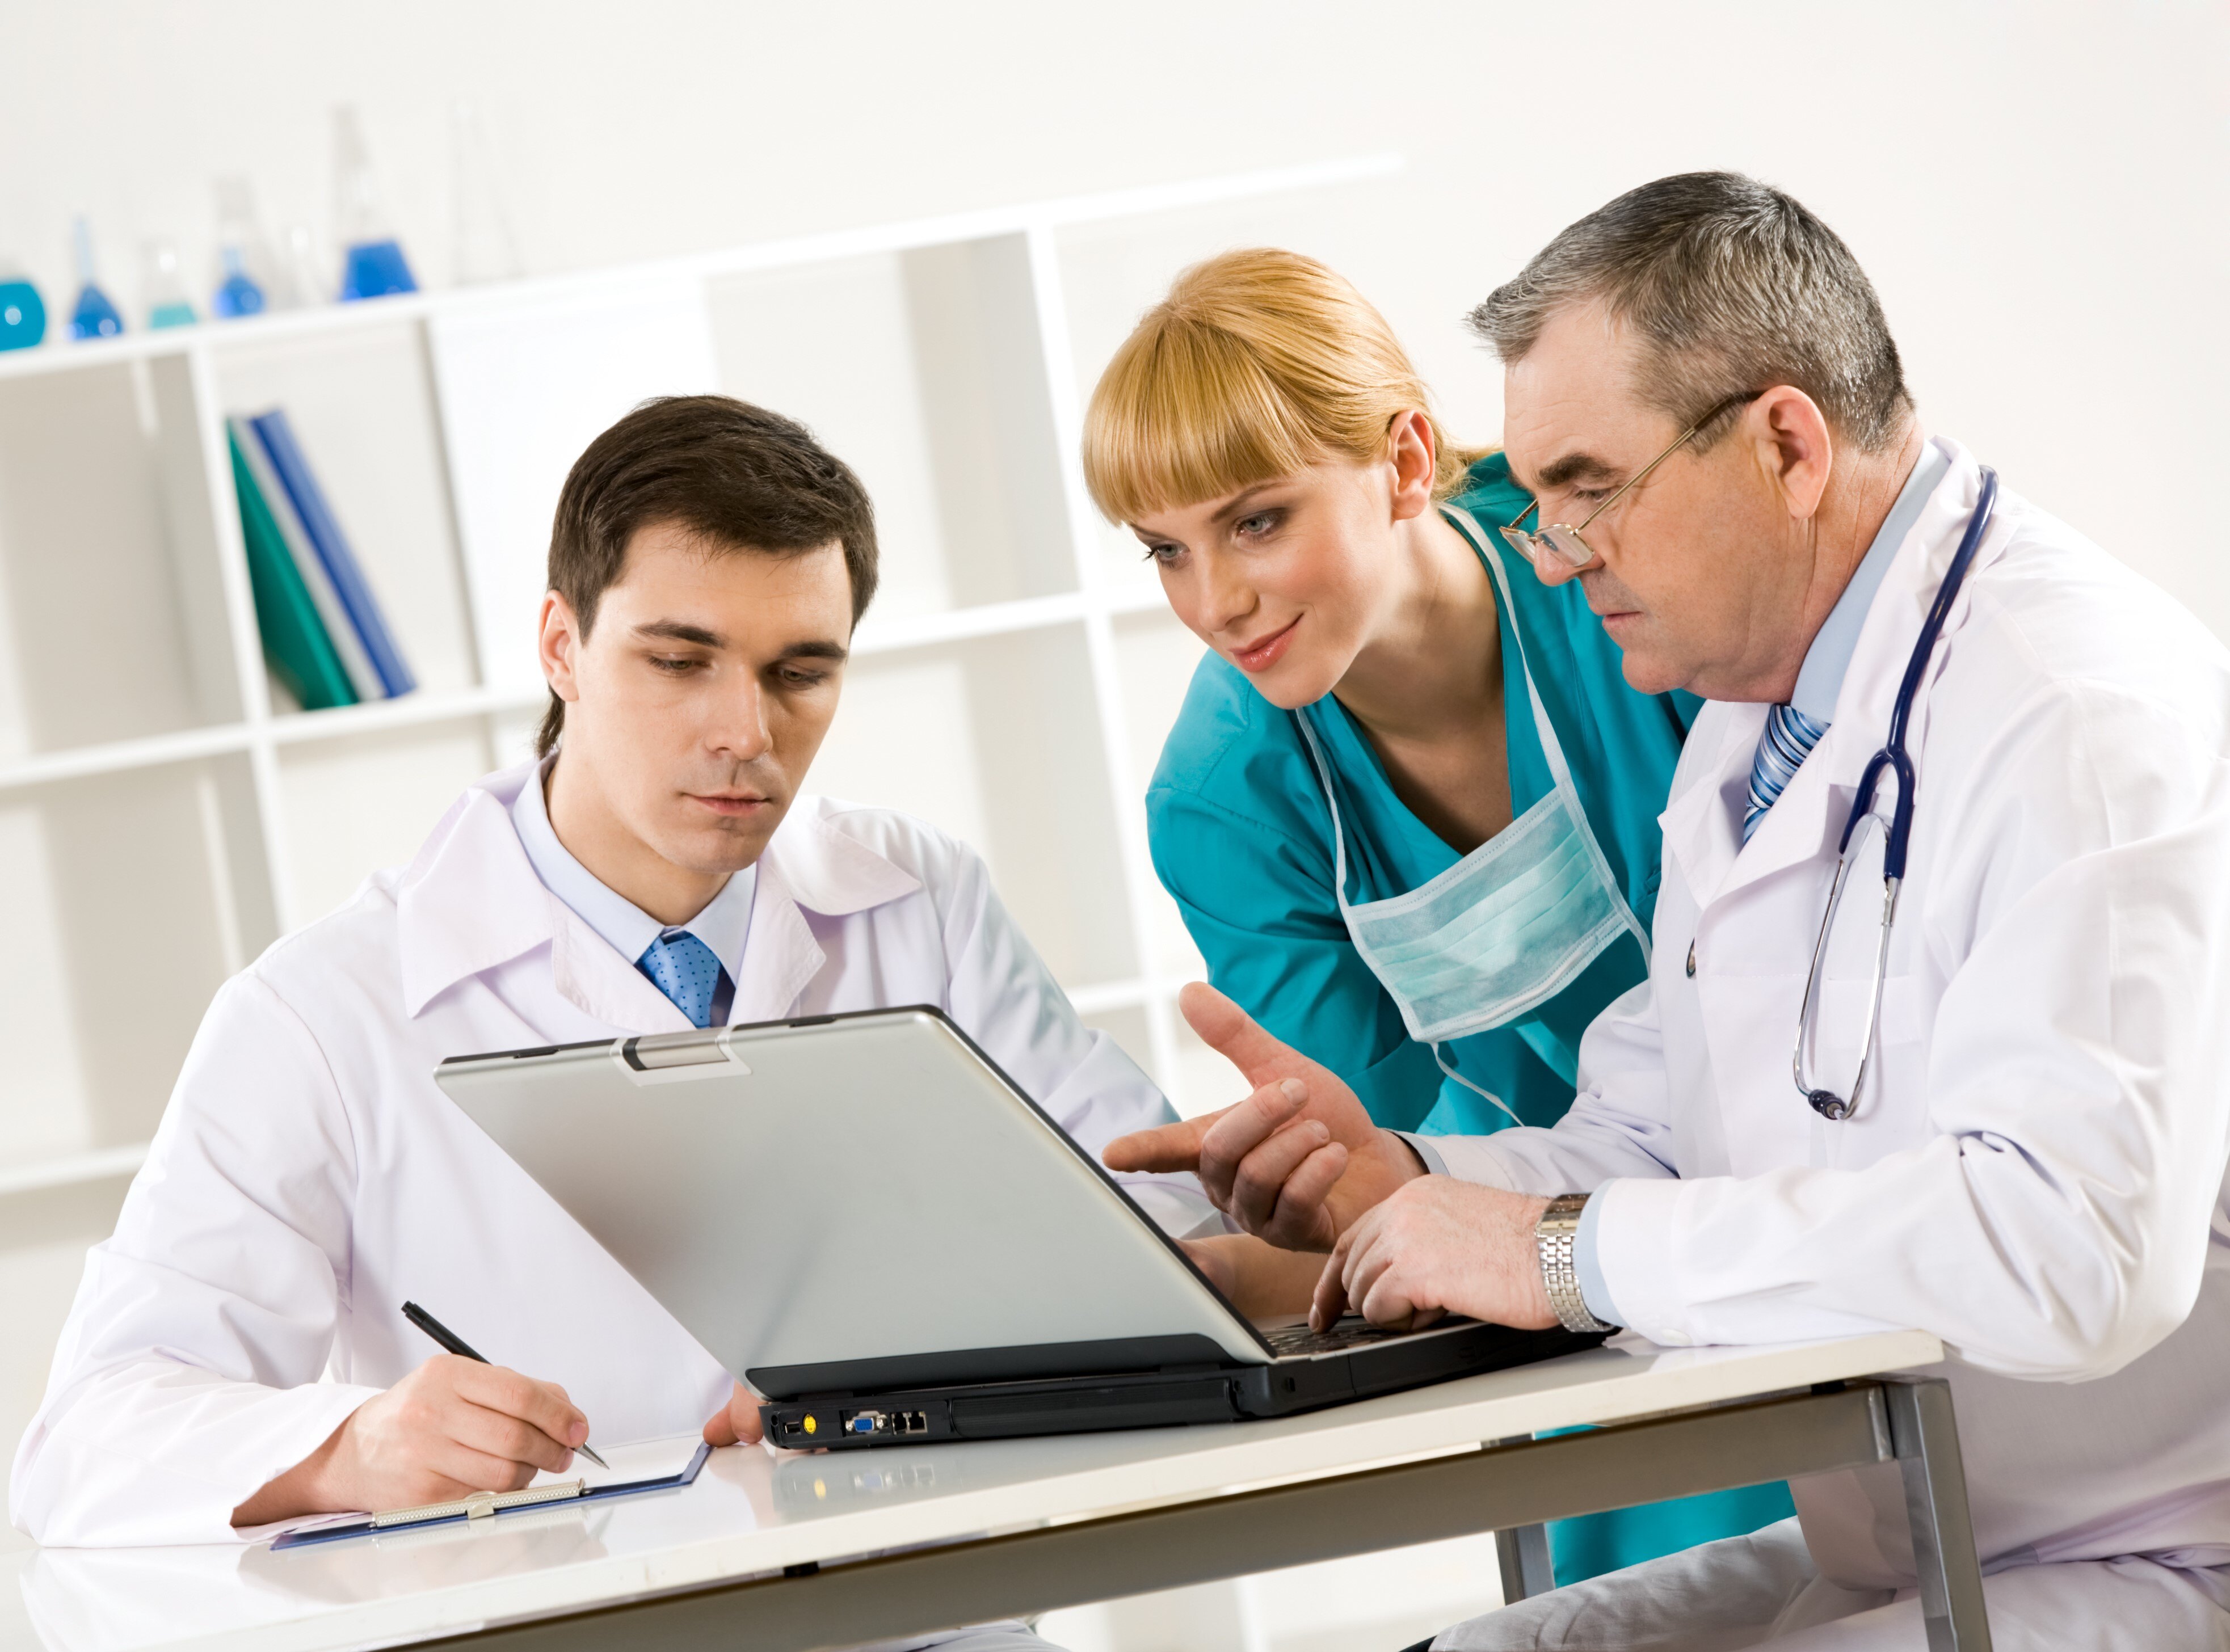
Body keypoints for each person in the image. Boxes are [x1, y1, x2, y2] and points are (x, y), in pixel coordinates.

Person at [1108, 174, 2230, 1649]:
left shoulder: (2066, 714)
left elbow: (2070, 1247)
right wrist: (1405, 1182)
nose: (1553, 552)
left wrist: (1562, 1253)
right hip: (1916, 1520)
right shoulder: (1756, 722)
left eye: (1587, 489)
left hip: (2155, 1546)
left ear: (1783, 443)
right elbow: (1654, 1124)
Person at [10, 394, 1212, 1622]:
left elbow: (1159, 1225)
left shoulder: (920, 901)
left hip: (930, 1620)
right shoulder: (323, 1012)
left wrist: (917, 1360)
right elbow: (89, 1441)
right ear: (561, 646)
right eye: (680, 661)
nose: (746, 733)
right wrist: (353, 1444)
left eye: (799, 672)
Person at [1080, 248, 1792, 1583]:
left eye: (1256, 520)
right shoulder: (1224, 804)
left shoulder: (1620, 587)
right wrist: (1329, 1191)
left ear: (1406, 460)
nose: (1214, 603)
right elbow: (1389, 1151)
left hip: (1801, 1204)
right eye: (1165, 550)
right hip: (1558, 1305)